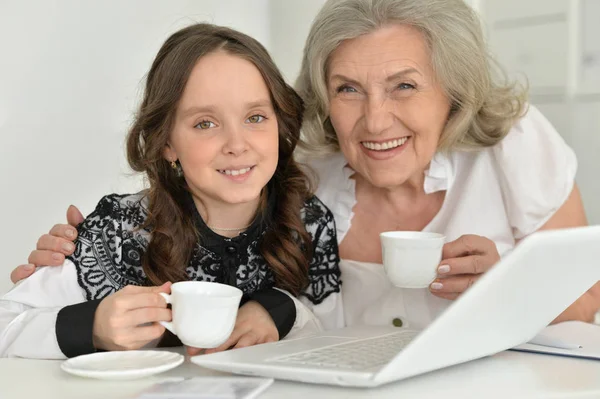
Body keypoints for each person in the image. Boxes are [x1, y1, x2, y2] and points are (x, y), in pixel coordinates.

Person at [12, 0, 600, 329]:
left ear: (452, 90)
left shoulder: (512, 144)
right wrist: (79, 263)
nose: (374, 121)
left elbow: (588, 299)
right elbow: (219, 252)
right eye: (347, 89)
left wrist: (508, 285)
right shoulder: (299, 172)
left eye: (403, 86)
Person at [0, 23, 341, 359]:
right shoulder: (120, 231)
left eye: (255, 117)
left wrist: (281, 310)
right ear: (166, 143)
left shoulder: (306, 223)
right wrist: (91, 327)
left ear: (280, 121)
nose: (237, 145)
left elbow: (336, 343)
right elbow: (6, 324)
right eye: (205, 123)